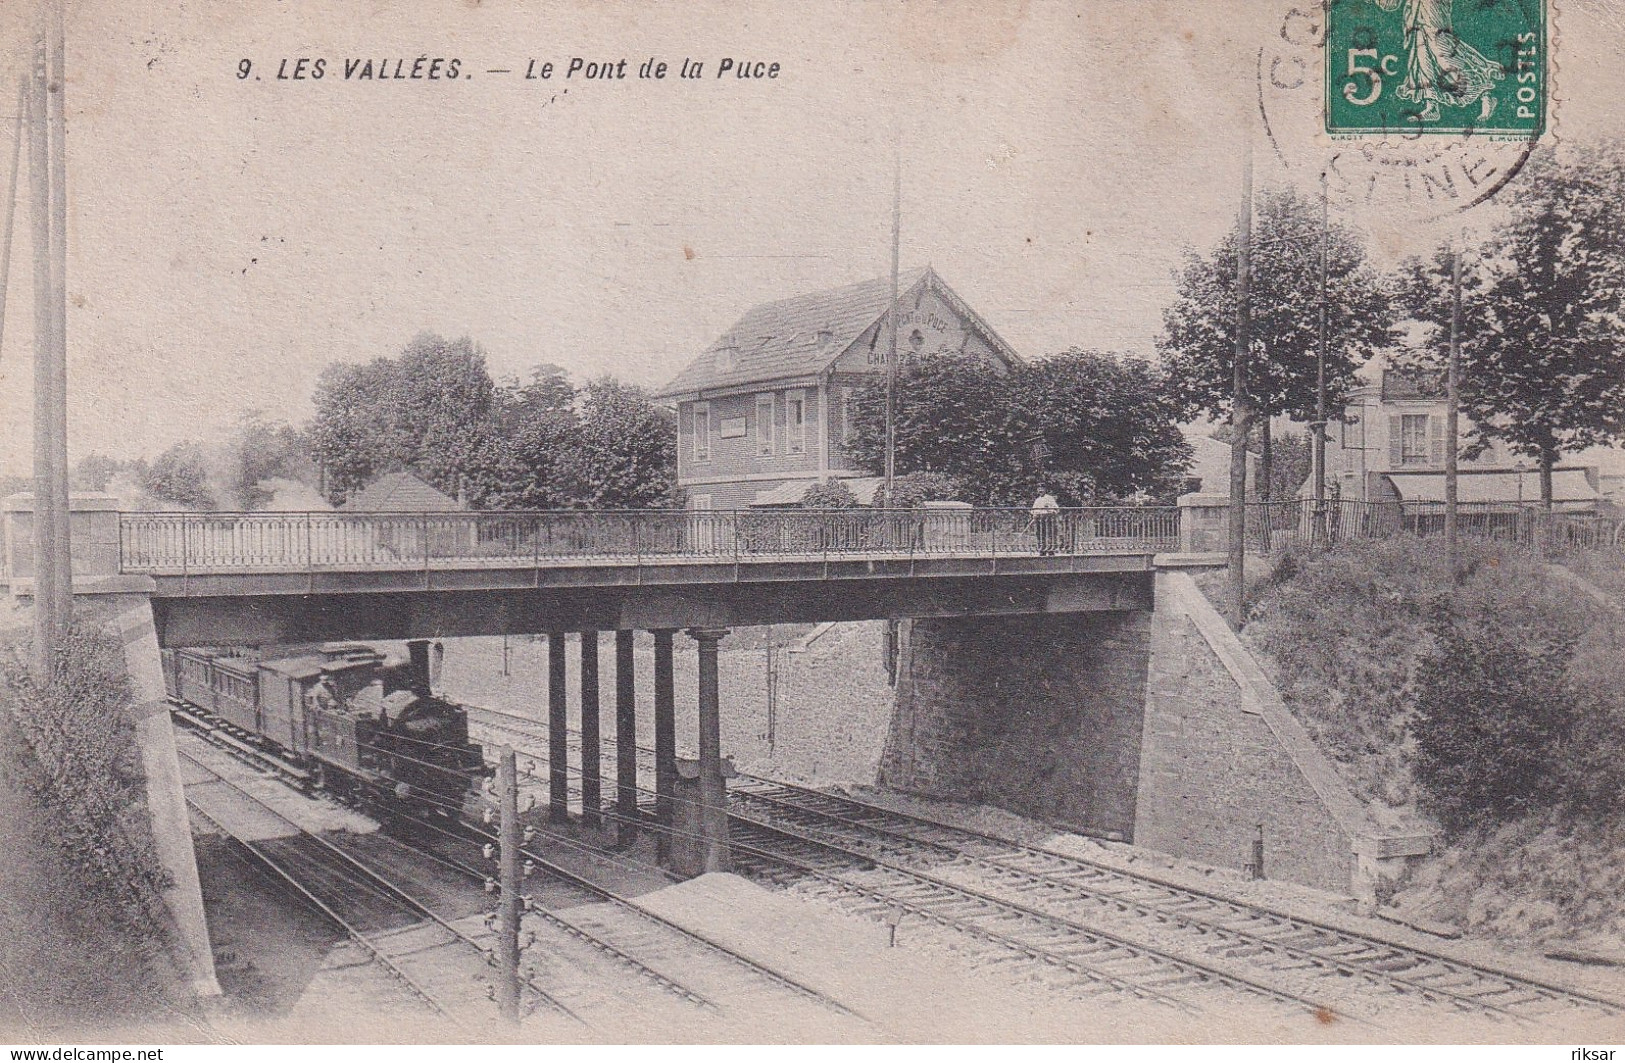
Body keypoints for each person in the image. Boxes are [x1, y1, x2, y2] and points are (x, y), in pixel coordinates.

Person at [1031, 487, 1061, 556]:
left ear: (1045, 490)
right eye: (1039, 490)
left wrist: (1050, 509)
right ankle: (1042, 549)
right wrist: (1034, 515)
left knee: (1049, 534)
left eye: (1042, 489)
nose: (1040, 491)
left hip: (1048, 519)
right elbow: (1033, 510)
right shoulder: (1037, 500)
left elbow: (1056, 509)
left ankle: (1051, 549)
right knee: (1040, 534)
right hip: (1039, 519)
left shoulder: (1050, 498)